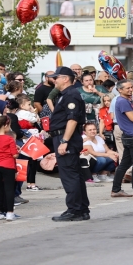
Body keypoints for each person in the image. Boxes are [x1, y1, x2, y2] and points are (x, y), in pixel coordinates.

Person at [47, 67, 90, 222]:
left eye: (56, 77)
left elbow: (72, 120)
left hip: (66, 138)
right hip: (66, 137)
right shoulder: (65, 95)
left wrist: (64, 141)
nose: (54, 80)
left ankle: (75, 209)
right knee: (75, 175)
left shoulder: (70, 95)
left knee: (69, 175)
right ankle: (82, 208)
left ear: (65, 78)